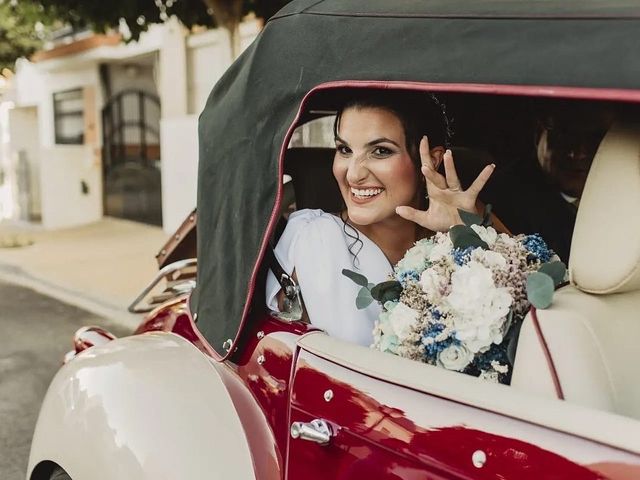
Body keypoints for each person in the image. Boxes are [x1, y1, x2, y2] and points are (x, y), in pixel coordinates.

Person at [266, 90, 495, 346]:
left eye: (380, 151)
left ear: (430, 160)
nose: (353, 174)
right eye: (344, 149)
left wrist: (470, 236)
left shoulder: (469, 223)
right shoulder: (315, 240)